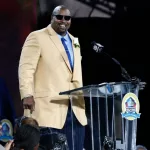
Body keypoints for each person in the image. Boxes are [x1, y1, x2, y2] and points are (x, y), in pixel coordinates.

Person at [18, 5, 87, 150]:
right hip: (49, 108)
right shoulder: (37, 36)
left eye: (67, 18)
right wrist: (27, 94)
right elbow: (26, 68)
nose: (63, 20)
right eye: (59, 17)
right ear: (52, 18)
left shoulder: (75, 41)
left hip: (75, 109)